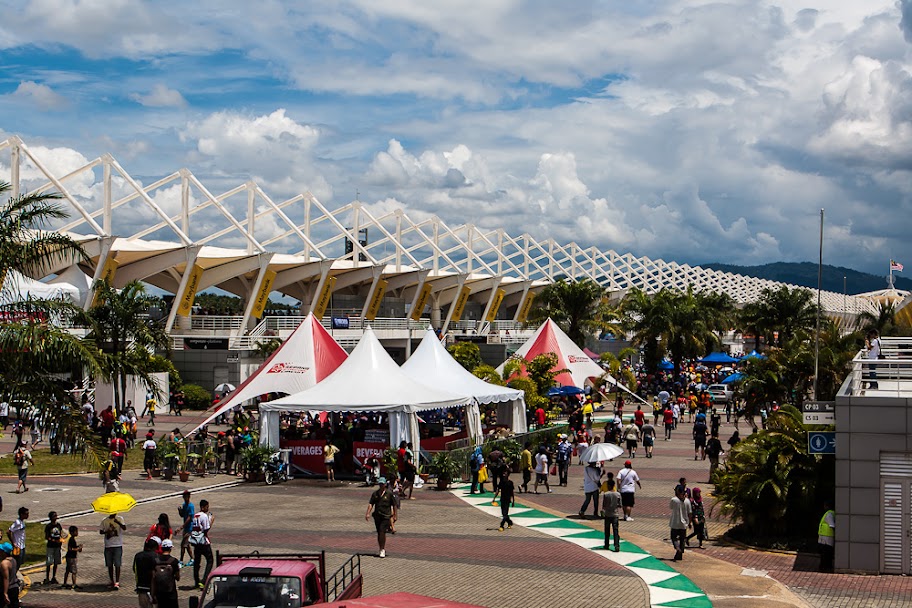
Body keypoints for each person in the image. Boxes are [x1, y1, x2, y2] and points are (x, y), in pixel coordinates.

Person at [365, 478, 397, 558]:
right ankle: (380, 547)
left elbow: (394, 505)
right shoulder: (375, 494)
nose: (381, 486)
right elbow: (371, 503)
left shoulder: (389, 493)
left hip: (386, 515)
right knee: (379, 532)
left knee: (382, 531)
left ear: (385, 484)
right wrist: (368, 513)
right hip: (377, 515)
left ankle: (382, 549)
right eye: (380, 484)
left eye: (382, 484)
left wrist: (395, 515)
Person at [190, 500, 214, 589]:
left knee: (197, 561)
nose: (208, 509)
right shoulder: (204, 516)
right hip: (203, 541)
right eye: (207, 507)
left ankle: (196, 580)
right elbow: (206, 529)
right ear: (203, 507)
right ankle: (204, 581)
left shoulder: (195, 516)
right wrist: (211, 521)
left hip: (196, 542)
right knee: (210, 560)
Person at [100, 511, 127, 589]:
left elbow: (124, 528)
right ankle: (111, 580)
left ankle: (117, 581)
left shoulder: (120, 518)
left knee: (118, 564)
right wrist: (107, 531)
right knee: (109, 564)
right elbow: (101, 531)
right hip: (108, 545)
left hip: (118, 544)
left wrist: (118, 522)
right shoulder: (105, 520)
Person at [152, 539, 180, 608]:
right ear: (170, 548)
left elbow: (153, 578)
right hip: (171, 593)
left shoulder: (155, 560)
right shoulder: (174, 561)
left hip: (159, 592)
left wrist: (153, 594)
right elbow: (178, 577)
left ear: (161, 548)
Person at [133, 537, 160, 608]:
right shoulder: (155, 556)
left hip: (141, 588)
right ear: (154, 547)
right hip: (152, 589)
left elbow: (134, 569)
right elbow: (157, 572)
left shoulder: (138, 555)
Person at [669, 485, 692, 561]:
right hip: (684, 524)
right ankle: (680, 554)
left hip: (675, 523)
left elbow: (671, 507)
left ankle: (677, 548)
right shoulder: (687, 501)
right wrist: (689, 523)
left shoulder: (674, 500)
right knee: (682, 539)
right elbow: (690, 513)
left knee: (674, 538)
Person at [43, 511, 64, 585]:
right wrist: (54, 540)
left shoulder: (58, 525)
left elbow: (60, 534)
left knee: (56, 562)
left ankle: (53, 577)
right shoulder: (48, 526)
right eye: (54, 516)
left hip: (57, 547)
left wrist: (61, 539)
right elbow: (47, 537)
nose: (56, 517)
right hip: (51, 546)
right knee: (49, 562)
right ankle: (47, 577)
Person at [601, 479, 622, 552]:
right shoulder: (618, 494)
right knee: (615, 531)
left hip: (607, 514)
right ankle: (617, 545)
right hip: (615, 514)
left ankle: (606, 544)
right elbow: (620, 505)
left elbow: (604, 505)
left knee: (607, 531)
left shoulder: (606, 494)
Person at [178, 491, 195, 565]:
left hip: (189, 528)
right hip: (186, 528)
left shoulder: (191, 506)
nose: (185, 498)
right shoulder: (184, 505)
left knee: (183, 545)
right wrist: (180, 511)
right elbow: (182, 515)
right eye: (184, 496)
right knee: (187, 545)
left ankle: (181, 561)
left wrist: (181, 527)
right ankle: (192, 559)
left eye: (186, 496)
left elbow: (190, 518)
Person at [818, 501, 835, 572]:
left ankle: (825, 566)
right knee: (826, 552)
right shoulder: (830, 513)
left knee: (826, 553)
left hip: (827, 537)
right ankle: (825, 566)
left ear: (827, 506)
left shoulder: (829, 514)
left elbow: (832, 525)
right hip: (826, 536)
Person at [0, 542, 19, 608]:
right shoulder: (13, 560)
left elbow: (6, 578)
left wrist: (5, 593)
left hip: (8, 589)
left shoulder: (4, 563)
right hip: (15, 587)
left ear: (4, 552)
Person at [62, 525, 81, 590]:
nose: (77, 533)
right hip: (72, 557)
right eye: (76, 531)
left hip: (69, 557)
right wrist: (78, 549)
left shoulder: (72, 539)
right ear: (72, 532)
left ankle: (65, 583)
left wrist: (78, 547)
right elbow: (71, 549)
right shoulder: (71, 540)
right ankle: (74, 584)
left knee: (67, 570)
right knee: (74, 571)